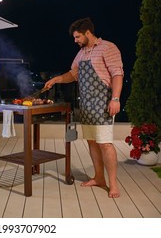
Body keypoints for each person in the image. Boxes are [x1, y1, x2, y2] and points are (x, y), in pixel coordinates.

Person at [43, 17, 123, 198]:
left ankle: (113, 184)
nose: (75, 40)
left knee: (105, 144)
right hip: (86, 105)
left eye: (77, 36)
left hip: (103, 103)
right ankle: (99, 178)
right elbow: (73, 74)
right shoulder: (81, 53)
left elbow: (117, 74)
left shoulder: (108, 48)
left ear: (88, 33)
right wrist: (56, 79)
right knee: (92, 142)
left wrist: (116, 99)